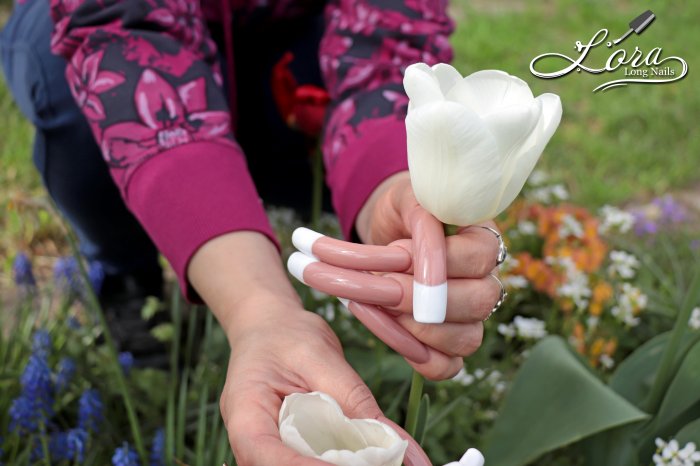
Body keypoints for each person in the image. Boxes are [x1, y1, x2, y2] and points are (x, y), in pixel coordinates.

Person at [1, 0, 505, 464]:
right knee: (58, 58)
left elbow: (388, 44)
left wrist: (403, 188)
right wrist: (258, 311)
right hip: (137, 79)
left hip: (294, 65)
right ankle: (129, 276)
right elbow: (125, 32)